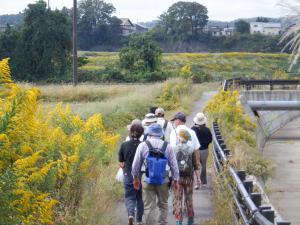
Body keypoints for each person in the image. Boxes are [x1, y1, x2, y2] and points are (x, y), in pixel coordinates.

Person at [131, 123, 180, 225]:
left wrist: (135, 178)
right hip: (163, 179)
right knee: (163, 204)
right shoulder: (168, 146)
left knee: (149, 206)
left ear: (149, 133)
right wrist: (176, 180)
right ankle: (162, 223)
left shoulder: (143, 145)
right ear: (160, 134)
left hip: (147, 178)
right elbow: (174, 165)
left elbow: (136, 164)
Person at [119, 123, 145, 225]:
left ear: (130, 132)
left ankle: (131, 215)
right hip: (140, 175)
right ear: (141, 134)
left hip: (128, 174)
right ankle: (139, 220)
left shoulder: (124, 145)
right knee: (139, 197)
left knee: (129, 197)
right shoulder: (144, 145)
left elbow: (121, 162)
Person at [169, 112, 201, 189]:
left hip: (177, 171)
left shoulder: (174, 132)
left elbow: (172, 151)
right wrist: (198, 176)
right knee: (189, 196)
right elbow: (196, 151)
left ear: (178, 121)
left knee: (177, 198)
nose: (174, 122)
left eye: (174, 120)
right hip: (189, 170)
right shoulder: (192, 132)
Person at [173, 129, 198, 225]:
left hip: (177, 178)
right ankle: (190, 221)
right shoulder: (191, 149)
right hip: (189, 178)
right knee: (189, 198)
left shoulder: (174, 148)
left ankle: (178, 221)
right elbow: (195, 165)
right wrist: (198, 178)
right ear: (187, 139)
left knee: (178, 199)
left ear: (179, 138)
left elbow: (171, 164)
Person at [191, 113, 212, 188]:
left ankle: (197, 182)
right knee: (203, 165)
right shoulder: (207, 130)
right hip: (204, 149)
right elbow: (210, 140)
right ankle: (203, 182)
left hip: (195, 150)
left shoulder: (192, 129)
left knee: (196, 165)